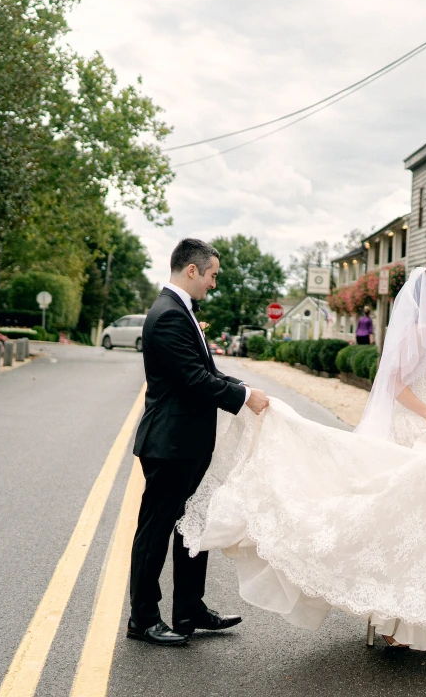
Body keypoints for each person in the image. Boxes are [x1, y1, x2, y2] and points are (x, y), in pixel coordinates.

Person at [178, 268, 426, 651]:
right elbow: (394, 384)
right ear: (420, 298)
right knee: (402, 525)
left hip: (421, 426)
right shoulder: (419, 332)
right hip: (408, 431)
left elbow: (417, 383)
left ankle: (409, 615)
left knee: (412, 526)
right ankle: (396, 622)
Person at [127, 238, 271, 647]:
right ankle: (143, 619)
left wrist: (241, 385)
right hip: (169, 445)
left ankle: (189, 608)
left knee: (193, 525)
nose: (213, 284)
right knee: (154, 534)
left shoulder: (180, 311)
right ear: (192, 270)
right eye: (212, 276)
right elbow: (193, 379)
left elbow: (205, 369)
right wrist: (244, 398)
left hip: (186, 445)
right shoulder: (169, 315)